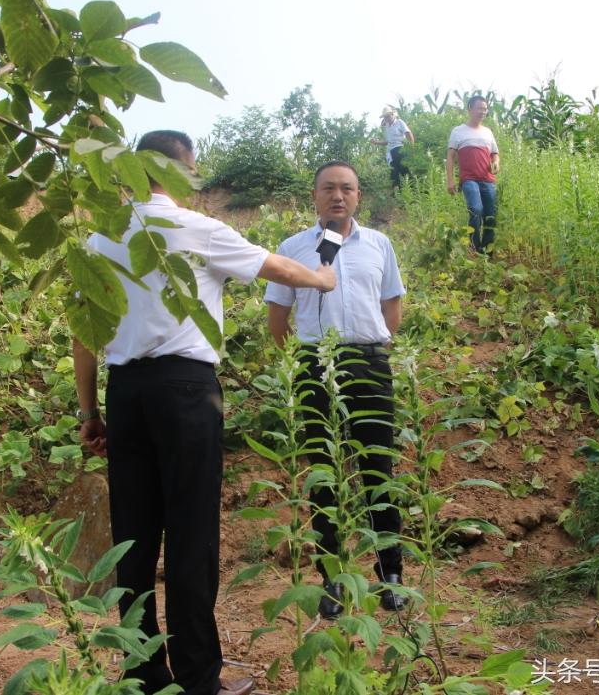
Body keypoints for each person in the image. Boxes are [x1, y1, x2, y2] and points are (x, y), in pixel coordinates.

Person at [73, 131, 336, 695]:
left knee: (134, 536)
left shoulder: (101, 239)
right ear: (171, 171)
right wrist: (321, 276)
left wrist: (90, 412)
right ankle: (197, 678)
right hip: (186, 390)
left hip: (126, 393)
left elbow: (83, 334)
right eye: (192, 171)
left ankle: (142, 674)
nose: (196, 182)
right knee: (191, 533)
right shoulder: (196, 229)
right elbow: (277, 269)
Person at [264, 161, 406, 619]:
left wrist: (375, 347)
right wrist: (303, 361)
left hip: (368, 362)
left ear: (358, 196)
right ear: (315, 195)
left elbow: (392, 305)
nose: (338, 196)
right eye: (329, 188)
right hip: (313, 365)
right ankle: (332, 577)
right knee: (323, 473)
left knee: (377, 468)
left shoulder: (380, 245)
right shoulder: (291, 248)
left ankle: (391, 575)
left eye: (347, 188)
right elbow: (277, 319)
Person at [446, 95, 500, 254]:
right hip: (469, 179)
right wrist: (450, 181)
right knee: (476, 209)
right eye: (479, 108)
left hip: (488, 179)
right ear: (470, 109)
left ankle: (488, 251)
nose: (483, 112)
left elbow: (495, 154)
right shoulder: (458, 131)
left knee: (490, 216)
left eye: (485, 109)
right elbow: (450, 157)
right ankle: (475, 248)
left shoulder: (488, 132)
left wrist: (496, 163)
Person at [372, 106, 415, 187]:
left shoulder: (399, 122)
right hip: (390, 152)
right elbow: (387, 142)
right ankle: (397, 193)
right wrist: (376, 142)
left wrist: (412, 148)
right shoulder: (386, 127)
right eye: (385, 117)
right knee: (394, 172)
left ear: (392, 114)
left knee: (404, 170)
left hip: (400, 148)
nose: (387, 118)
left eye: (388, 116)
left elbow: (409, 134)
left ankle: (413, 189)